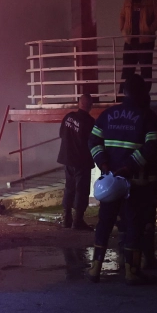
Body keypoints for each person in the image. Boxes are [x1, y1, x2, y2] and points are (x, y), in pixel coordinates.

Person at [88, 70, 157, 284]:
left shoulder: (106, 114)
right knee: (133, 225)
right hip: (135, 184)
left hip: (110, 183)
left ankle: (95, 270)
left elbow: (93, 142)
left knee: (104, 223)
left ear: (124, 91)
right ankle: (131, 272)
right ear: (142, 92)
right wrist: (129, 167)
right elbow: (152, 146)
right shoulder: (148, 116)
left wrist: (103, 164)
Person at [56, 91, 95, 229]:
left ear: (79, 103)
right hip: (81, 161)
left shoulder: (68, 117)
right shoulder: (90, 122)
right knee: (82, 190)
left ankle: (66, 219)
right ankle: (77, 221)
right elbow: (93, 142)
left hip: (67, 159)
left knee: (69, 188)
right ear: (90, 105)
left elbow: (61, 134)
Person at [119, 0, 157, 82]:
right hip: (130, 41)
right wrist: (123, 30)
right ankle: (122, 96)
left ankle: (143, 96)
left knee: (146, 71)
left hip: (145, 41)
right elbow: (122, 15)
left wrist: (149, 30)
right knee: (127, 71)